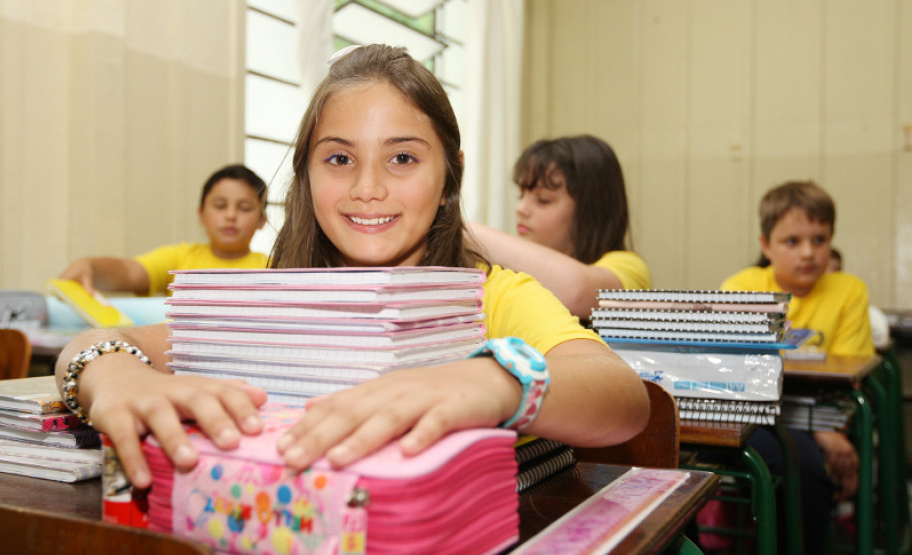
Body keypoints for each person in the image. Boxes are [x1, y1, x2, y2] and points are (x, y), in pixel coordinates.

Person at [54, 44, 650, 490]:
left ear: (449, 178)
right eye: (339, 158)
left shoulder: (489, 296)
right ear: (307, 172)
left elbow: (624, 398)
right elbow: (100, 340)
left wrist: (496, 380)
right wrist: (112, 376)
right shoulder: (274, 297)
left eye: (403, 159)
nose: (368, 188)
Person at [720, 180, 873, 554]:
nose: (808, 252)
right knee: (792, 465)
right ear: (765, 244)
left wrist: (827, 429)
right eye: (792, 241)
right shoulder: (744, 286)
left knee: (805, 471)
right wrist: (824, 434)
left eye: (820, 240)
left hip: (820, 415)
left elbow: (842, 381)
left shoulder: (848, 290)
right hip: (753, 413)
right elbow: (743, 376)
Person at [468, 135, 650, 320]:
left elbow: (576, 292)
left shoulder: (630, 268)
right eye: (520, 196)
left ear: (589, 211)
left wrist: (467, 232)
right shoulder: (506, 271)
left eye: (543, 200)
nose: (521, 208)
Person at [59, 164, 269, 296]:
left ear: (262, 220)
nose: (231, 216)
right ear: (201, 215)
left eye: (244, 208)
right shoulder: (180, 258)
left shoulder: (272, 268)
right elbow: (129, 272)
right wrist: (90, 266)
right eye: (220, 206)